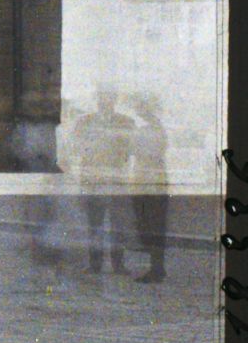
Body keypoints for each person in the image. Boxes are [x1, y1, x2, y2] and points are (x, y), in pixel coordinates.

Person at [66, 90, 134, 275]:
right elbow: (76, 149)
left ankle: (118, 265)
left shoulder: (127, 122)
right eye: (102, 97)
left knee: (118, 226)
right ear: (97, 99)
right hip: (93, 183)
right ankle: (94, 265)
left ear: (115, 99)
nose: (105, 101)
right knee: (94, 225)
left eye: (109, 97)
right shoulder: (83, 122)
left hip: (115, 183)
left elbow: (129, 152)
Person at [126, 96, 170, 283]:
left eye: (140, 107)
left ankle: (156, 268)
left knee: (152, 226)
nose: (138, 110)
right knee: (150, 225)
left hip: (149, 183)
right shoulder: (153, 128)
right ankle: (157, 267)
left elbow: (136, 151)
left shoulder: (150, 130)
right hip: (147, 181)